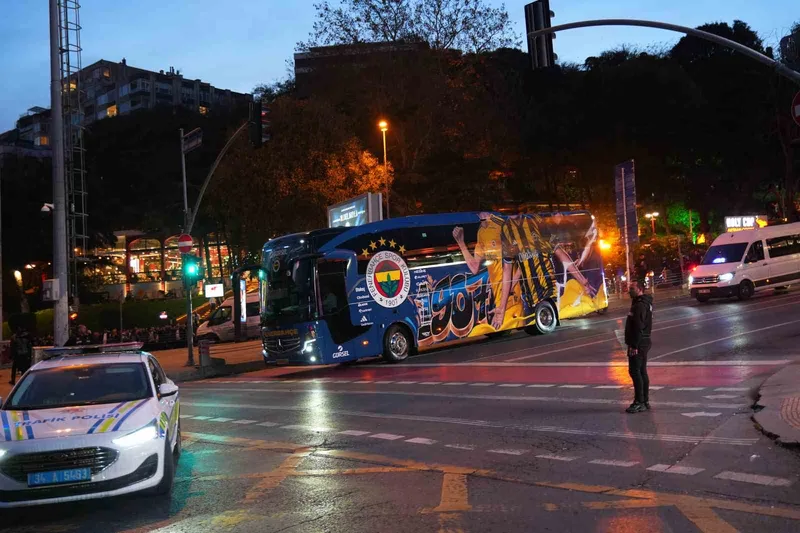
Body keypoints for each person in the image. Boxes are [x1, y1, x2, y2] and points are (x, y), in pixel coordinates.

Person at [624, 281, 654, 413]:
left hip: (639, 342)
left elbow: (638, 326)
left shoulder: (640, 305)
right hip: (643, 341)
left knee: (635, 371)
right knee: (641, 371)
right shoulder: (643, 303)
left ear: (640, 289)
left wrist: (634, 345)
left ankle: (639, 402)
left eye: (632, 288)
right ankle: (645, 401)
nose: (629, 290)